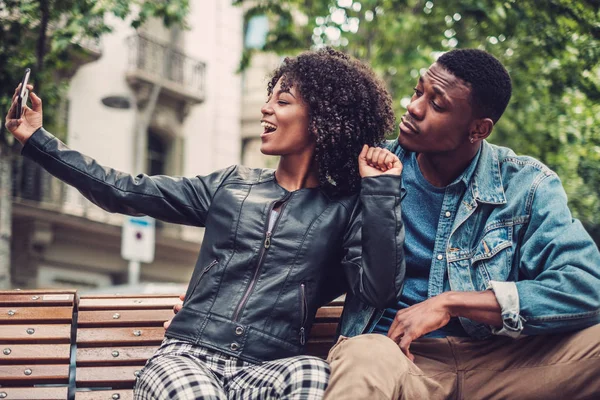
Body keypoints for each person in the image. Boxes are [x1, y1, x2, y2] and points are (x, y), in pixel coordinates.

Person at [5, 48, 406, 400]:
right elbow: (123, 190)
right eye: (269, 98)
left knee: (314, 374)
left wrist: (381, 192)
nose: (267, 107)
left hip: (271, 366)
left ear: (323, 119)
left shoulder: (345, 210)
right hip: (188, 356)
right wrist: (37, 139)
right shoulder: (230, 186)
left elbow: (378, 288)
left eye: (282, 101)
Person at [322, 48, 600, 400]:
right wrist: (379, 193)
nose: (414, 108)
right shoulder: (373, 167)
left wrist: (450, 303)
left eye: (437, 105)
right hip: (393, 356)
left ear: (478, 130)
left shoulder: (526, 185)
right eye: (418, 91)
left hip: (499, 364)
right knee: (363, 355)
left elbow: (585, 288)